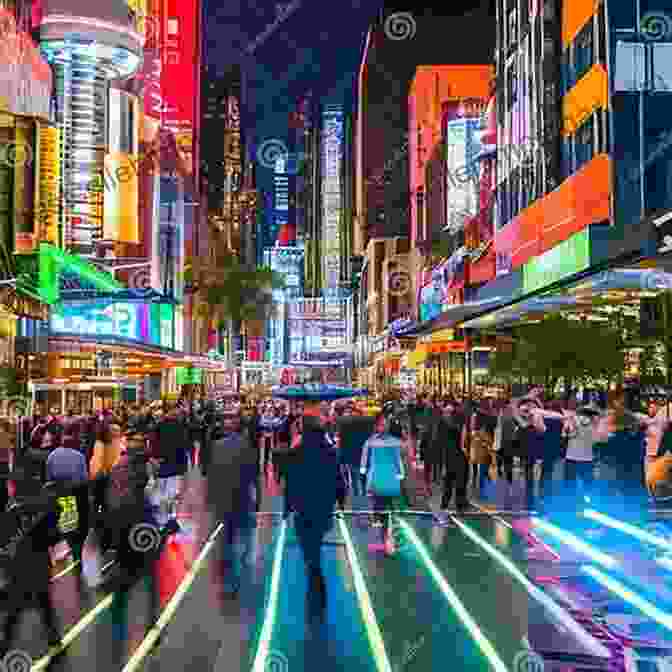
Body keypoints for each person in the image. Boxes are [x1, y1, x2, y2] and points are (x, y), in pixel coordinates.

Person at [0, 468, 61, 656]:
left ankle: (5, 644)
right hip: (39, 562)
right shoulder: (42, 506)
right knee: (43, 601)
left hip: (19, 563)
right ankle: (53, 637)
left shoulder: (13, 508)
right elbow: (53, 536)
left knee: (15, 606)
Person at [286, 402, 339, 612]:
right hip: (322, 507)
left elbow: (290, 479)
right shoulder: (329, 450)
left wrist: (287, 506)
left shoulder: (297, 449)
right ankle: (316, 587)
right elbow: (337, 480)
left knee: (310, 550)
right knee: (314, 546)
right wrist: (338, 500)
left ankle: (315, 586)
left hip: (302, 508)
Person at [207, 409, 259, 597]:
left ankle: (228, 581)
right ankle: (244, 563)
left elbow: (211, 475)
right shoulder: (248, 445)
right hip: (242, 498)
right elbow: (254, 473)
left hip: (224, 500)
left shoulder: (216, 446)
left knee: (226, 541)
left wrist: (210, 499)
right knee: (244, 534)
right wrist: (256, 498)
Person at [360, 413, 405, 555]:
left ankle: (388, 541)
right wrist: (363, 472)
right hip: (377, 480)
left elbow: (397, 459)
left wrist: (400, 474)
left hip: (389, 480)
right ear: (376, 426)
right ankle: (382, 540)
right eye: (381, 424)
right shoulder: (370, 442)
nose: (383, 426)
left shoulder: (393, 442)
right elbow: (364, 458)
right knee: (379, 511)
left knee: (388, 511)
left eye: (385, 423)